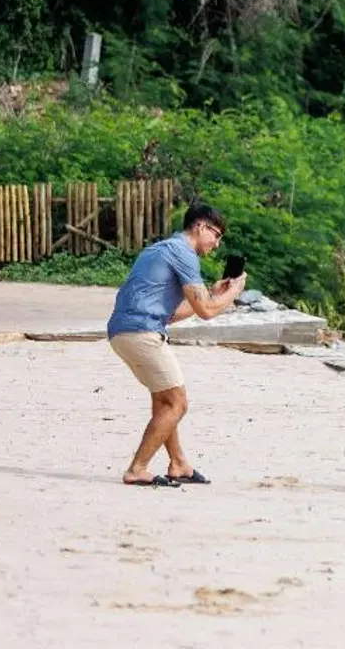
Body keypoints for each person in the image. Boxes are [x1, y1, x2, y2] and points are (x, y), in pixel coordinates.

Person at [106, 203, 246, 487]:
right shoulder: (184, 253)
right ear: (200, 227)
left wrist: (210, 294)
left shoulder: (160, 249)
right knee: (177, 403)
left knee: (163, 400)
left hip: (124, 332)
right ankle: (137, 468)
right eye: (216, 235)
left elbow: (171, 313)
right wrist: (233, 293)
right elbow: (207, 311)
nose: (217, 244)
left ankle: (179, 463)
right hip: (142, 333)